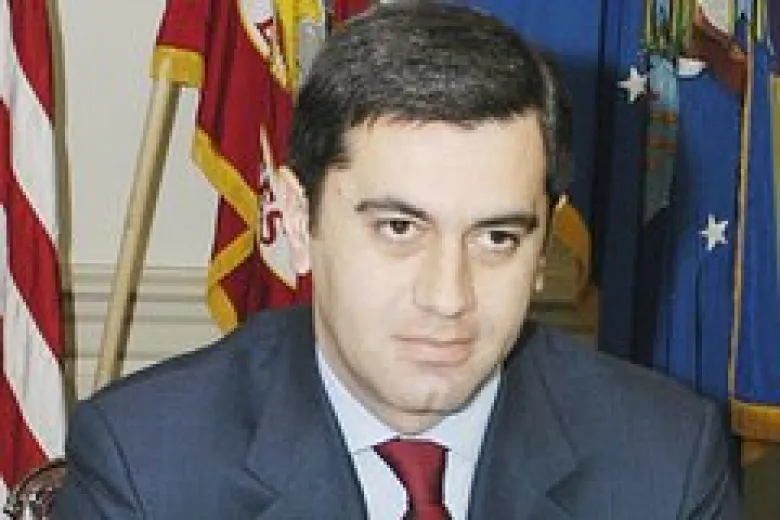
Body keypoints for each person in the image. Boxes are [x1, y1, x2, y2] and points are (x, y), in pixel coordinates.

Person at [53, 3, 739, 519]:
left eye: (496, 238)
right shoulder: (148, 464)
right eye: (400, 228)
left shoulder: (665, 460)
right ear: (297, 218)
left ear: (542, 247)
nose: (448, 297)